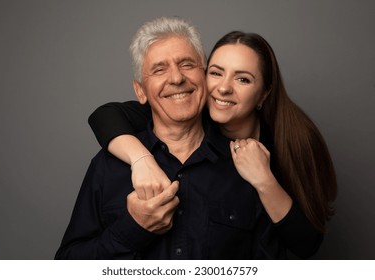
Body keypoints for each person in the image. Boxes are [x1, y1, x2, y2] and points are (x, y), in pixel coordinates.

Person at [88, 29, 338, 258]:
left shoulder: (293, 138)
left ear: (264, 93)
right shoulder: (185, 108)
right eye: (216, 73)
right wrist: (141, 159)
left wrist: (264, 180)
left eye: (243, 79)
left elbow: (306, 244)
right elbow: (105, 116)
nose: (224, 88)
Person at [55, 16, 284, 259]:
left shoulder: (249, 166)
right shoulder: (107, 167)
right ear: (140, 91)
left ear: (205, 76)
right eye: (159, 69)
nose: (176, 78)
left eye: (186, 64)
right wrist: (133, 228)